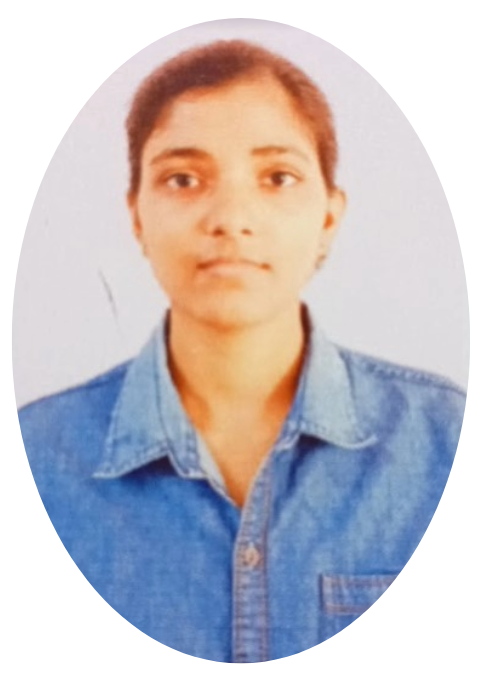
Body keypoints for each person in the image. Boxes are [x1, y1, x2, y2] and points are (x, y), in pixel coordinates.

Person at [18, 40, 466, 663]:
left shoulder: (448, 446)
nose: (231, 217)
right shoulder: (33, 460)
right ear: (137, 218)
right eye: (183, 179)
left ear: (328, 219)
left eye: (277, 177)